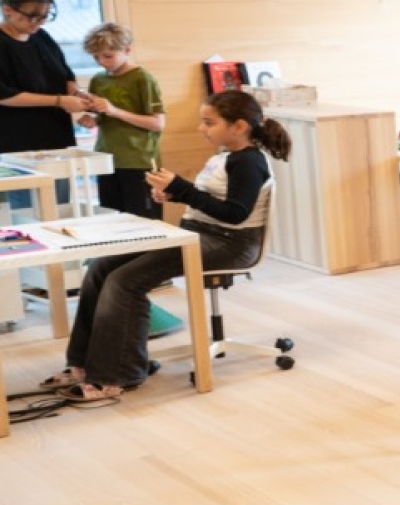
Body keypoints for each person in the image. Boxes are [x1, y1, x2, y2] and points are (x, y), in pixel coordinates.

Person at [39, 91, 291, 401]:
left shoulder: (249, 162)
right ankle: (81, 364)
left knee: (124, 282)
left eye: (209, 122)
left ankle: (118, 374)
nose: (202, 128)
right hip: (200, 234)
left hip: (230, 244)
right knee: (103, 267)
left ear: (239, 126)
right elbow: (211, 201)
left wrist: (181, 189)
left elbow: (235, 215)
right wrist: (174, 193)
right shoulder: (226, 155)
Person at [0, 0, 85, 210]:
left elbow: (65, 75)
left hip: (56, 140)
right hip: (16, 146)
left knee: (60, 208)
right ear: (8, 10)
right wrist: (59, 100)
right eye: (31, 17)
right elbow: (4, 95)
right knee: (24, 215)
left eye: (45, 16)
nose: (37, 23)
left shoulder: (42, 37)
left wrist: (78, 94)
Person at [77, 22, 164, 221]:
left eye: (108, 56)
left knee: (143, 222)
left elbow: (158, 123)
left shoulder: (142, 78)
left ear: (127, 50)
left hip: (138, 161)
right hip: (106, 160)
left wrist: (114, 111)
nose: (102, 62)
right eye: (96, 57)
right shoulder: (98, 80)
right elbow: (105, 116)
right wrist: (94, 120)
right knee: (111, 220)